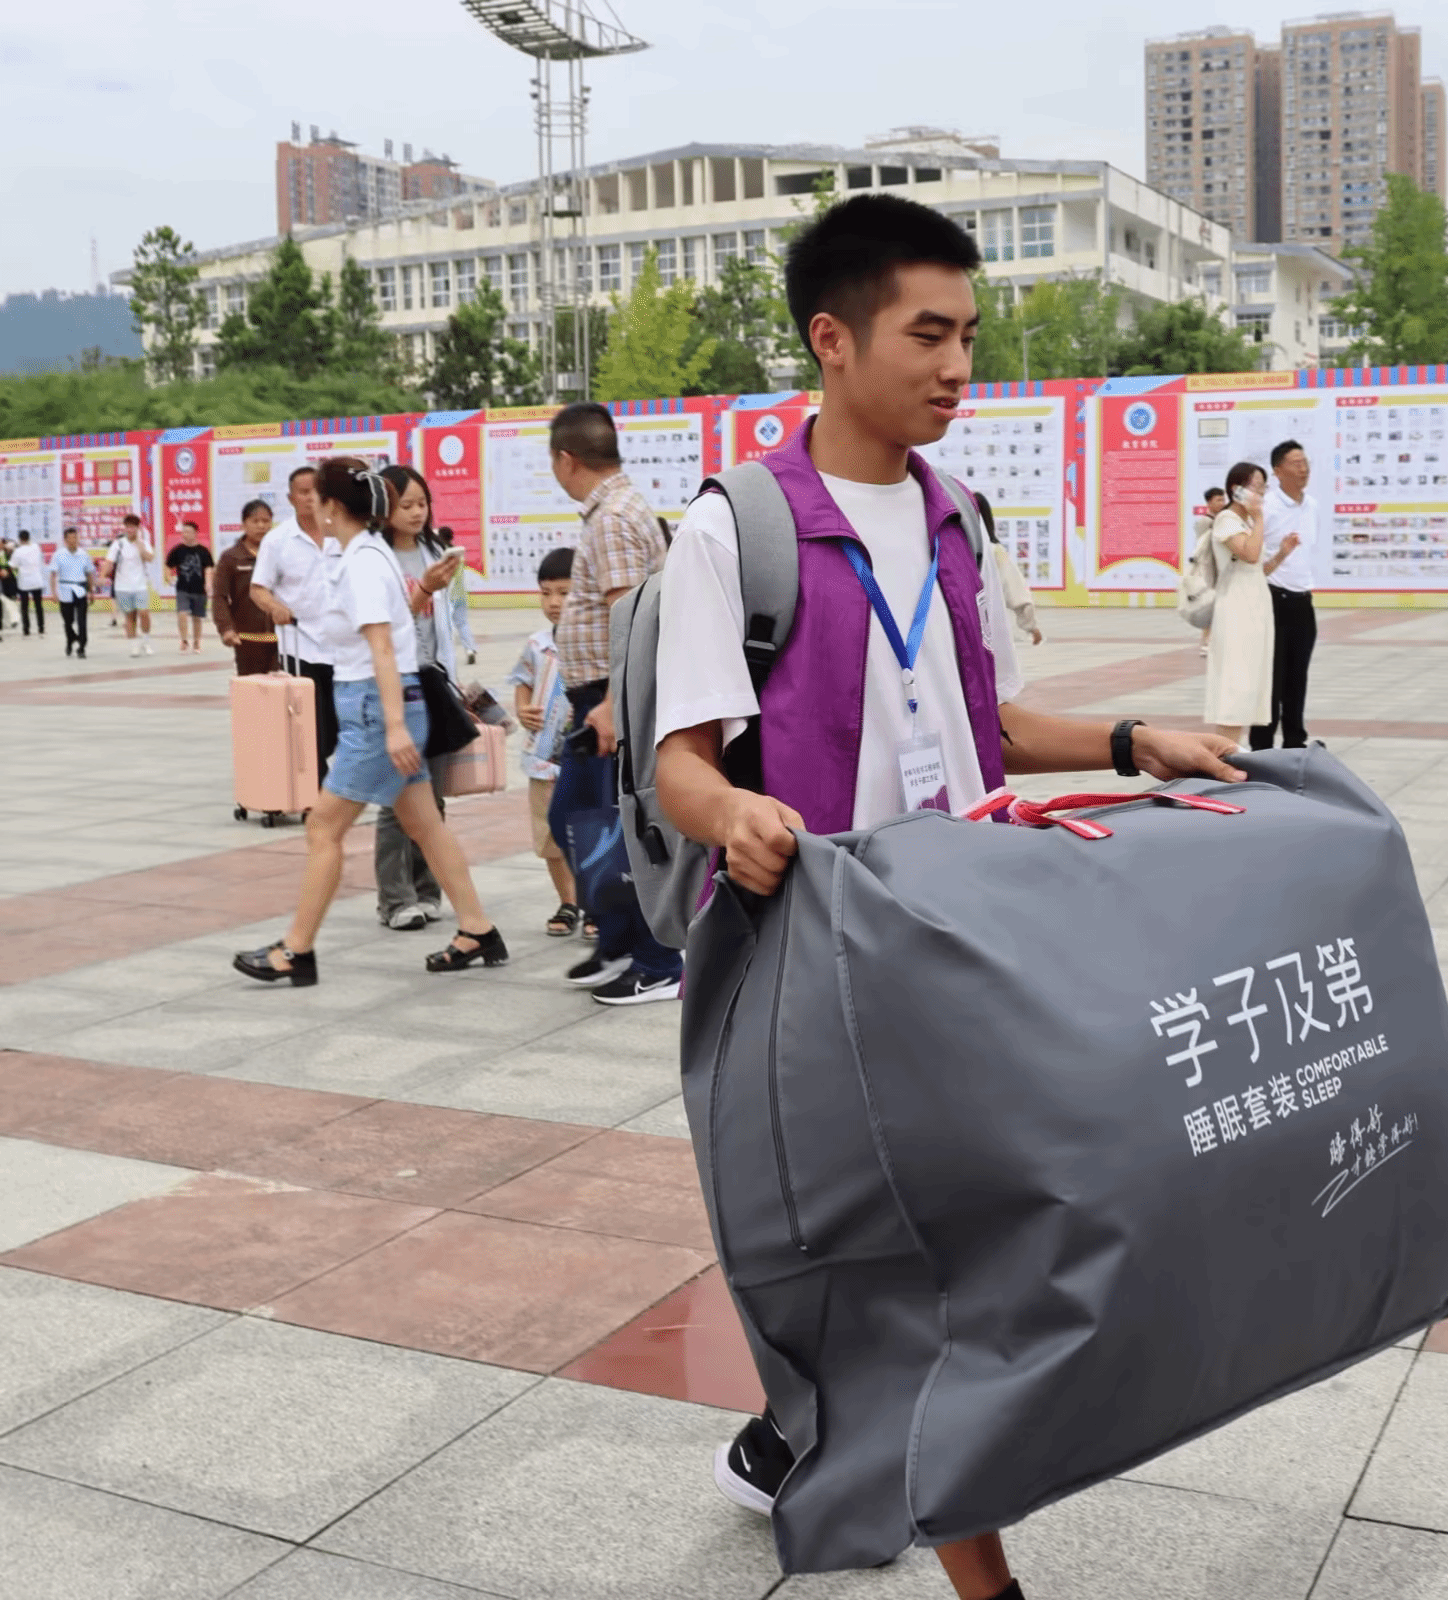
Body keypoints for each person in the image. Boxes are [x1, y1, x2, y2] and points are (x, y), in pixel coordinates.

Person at [653, 192, 1242, 1600]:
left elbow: (992, 725)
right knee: (938, 1267)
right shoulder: (735, 531)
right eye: (928, 334)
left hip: (968, 945)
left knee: (958, 1246)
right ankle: (985, 1579)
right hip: (825, 968)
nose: (958, 365)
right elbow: (679, 760)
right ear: (832, 338)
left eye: (969, 335)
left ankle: (791, 1432)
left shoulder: (959, 519)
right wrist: (734, 813)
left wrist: (1131, 739)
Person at [232, 457, 504, 987]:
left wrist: (395, 727)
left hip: (377, 711)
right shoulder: (366, 553)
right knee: (424, 825)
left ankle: (296, 950)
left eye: (317, 498)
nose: (313, 506)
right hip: (380, 706)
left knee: (323, 826)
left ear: (332, 506)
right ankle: (478, 929)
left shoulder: (362, 562)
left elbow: (383, 648)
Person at [546, 401, 682, 1005]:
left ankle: (657, 962)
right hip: (600, 697)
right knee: (577, 818)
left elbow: (628, 619)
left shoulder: (614, 519)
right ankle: (619, 942)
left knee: (619, 830)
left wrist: (611, 706)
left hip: (611, 699)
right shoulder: (614, 512)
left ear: (566, 459)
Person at [372, 464, 464, 931]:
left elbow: (447, 623)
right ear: (384, 509)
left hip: (432, 679)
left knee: (433, 796)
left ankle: (428, 891)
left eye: (421, 503)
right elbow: (386, 629)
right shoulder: (376, 559)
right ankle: (395, 899)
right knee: (397, 797)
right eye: (405, 504)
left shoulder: (434, 552)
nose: (415, 512)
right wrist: (424, 589)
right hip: (395, 683)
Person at [250, 465, 342, 782]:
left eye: (316, 491)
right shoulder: (277, 540)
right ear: (290, 498)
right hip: (300, 645)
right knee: (311, 724)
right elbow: (258, 588)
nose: (310, 498)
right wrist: (274, 606)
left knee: (338, 724)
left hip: (343, 646)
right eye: (303, 492)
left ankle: (325, 779)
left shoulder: (341, 534)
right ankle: (316, 790)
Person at [509, 546, 580, 935]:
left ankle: (594, 904)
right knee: (549, 833)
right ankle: (568, 903)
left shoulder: (593, 642)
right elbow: (522, 681)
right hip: (542, 761)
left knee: (587, 829)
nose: (554, 602)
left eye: (564, 593)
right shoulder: (537, 645)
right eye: (546, 593)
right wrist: (523, 710)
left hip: (583, 757)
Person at [1203, 462, 1278, 744]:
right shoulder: (1227, 520)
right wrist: (1259, 518)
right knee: (1237, 682)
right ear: (1237, 490)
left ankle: (1234, 748)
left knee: (1250, 680)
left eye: (1263, 487)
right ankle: (1225, 751)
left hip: (1255, 604)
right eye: (1256, 487)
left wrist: (1282, 553)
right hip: (1236, 608)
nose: (1261, 494)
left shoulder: (1245, 522)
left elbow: (1258, 568)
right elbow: (1249, 554)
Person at [1251, 439, 1320, 749]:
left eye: (1305, 462)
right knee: (1271, 678)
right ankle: (1262, 745)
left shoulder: (1312, 506)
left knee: (1297, 676)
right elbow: (1253, 557)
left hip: (1302, 601)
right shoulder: (1265, 507)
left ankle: (1295, 742)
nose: (1303, 469)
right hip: (1272, 600)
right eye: (1296, 463)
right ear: (1277, 471)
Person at [212, 500, 280, 675]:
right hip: (247, 640)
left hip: (283, 639)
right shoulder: (231, 557)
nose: (261, 526)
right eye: (255, 521)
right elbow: (220, 597)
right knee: (252, 688)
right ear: (243, 524)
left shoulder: (281, 553)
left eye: (266, 521)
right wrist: (226, 628)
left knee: (283, 688)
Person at [973, 492, 1042, 645]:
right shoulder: (992, 550)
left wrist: (1031, 626)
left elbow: (1015, 590)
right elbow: (1016, 590)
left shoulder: (991, 551)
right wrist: (1031, 626)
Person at [104, 514, 155, 656]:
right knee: (130, 617)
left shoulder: (144, 543)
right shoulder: (118, 544)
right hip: (122, 587)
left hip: (140, 585)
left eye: (133, 527)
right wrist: (102, 576)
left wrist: (140, 547)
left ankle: (146, 641)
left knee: (144, 613)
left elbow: (150, 558)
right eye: (128, 527)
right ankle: (134, 645)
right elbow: (109, 562)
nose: (130, 530)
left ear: (138, 528)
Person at [163, 519, 214, 654]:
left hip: (199, 589)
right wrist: (169, 578)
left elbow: (209, 568)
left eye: (188, 531)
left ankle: (197, 642)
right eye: (183, 531)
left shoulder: (203, 551)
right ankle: (184, 640)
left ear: (195, 533)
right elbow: (168, 566)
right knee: (182, 614)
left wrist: (208, 583)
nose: (185, 534)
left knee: (197, 618)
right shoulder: (177, 550)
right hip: (182, 588)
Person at [1192, 486, 1227, 655]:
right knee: (1210, 607)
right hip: (1209, 569)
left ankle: (1214, 641)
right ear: (1209, 502)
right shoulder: (1205, 522)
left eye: (1223, 499)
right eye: (1218, 500)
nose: (1222, 503)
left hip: (1220, 568)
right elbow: (1204, 548)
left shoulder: (1221, 520)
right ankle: (1205, 642)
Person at [51, 529, 93, 659]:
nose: (73, 541)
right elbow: (53, 574)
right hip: (65, 589)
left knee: (82, 621)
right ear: (65, 540)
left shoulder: (83, 554)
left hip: (80, 588)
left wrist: (91, 591)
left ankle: (82, 647)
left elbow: (89, 573)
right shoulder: (59, 555)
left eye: (75, 538)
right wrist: (53, 592)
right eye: (70, 538)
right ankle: (70, 639)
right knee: (68, 621)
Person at [438, 526, 477, 664]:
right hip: (461, 594)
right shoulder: (459, 554)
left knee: (446, 626)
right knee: (463, 623)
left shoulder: (443, 554)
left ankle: (447, 654)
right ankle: (470, 649)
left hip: (447, 595)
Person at [11, 530, 46, 637]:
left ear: (20, 539)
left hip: (24, 582)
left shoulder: (18, 551)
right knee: (38, 605)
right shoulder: (36, 547)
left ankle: (26, 629)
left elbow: (13, 565)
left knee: (24, 607)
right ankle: (41, 628)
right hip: (36, 580)